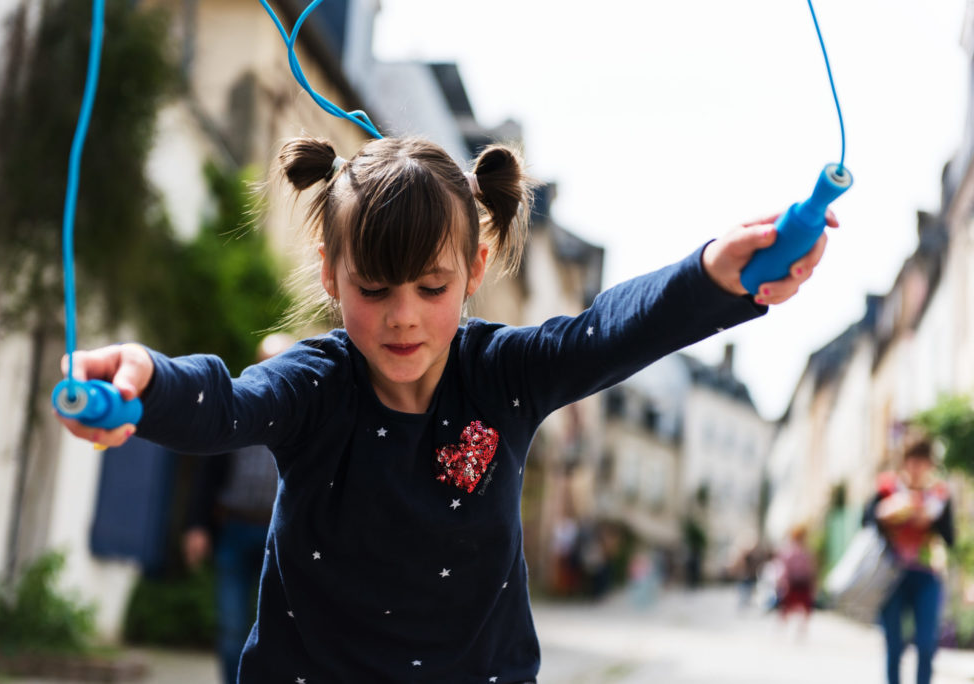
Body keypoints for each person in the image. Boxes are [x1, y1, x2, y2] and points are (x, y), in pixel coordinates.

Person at [56, 135, 835, 682]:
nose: (403, 317)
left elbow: (604, 332)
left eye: (431, 288)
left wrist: (708, 276)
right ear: (331, 274)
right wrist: (146, 383)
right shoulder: (316, 383)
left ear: (476, 268)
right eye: (374, 289)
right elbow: (227, 406)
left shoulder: (504, 377)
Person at [182, 334, 292, 684]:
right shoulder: (237, 407)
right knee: (231, 628)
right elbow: (207, 473)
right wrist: (196, 526)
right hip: (234, 529)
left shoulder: (303, 415)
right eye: (265, 362)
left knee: (277, 630)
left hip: (280, 538)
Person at [865, 437, 954, 684]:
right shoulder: (888, 489)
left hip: (926, 574)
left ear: (930, 466)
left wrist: (931, 520)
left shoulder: (938, 495)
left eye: (923, 462)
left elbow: (950, 537)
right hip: (891, 574)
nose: (917, 468)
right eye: (913, 462)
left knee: (926, 644)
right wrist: (888, 514)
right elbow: (866, 522)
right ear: (905, 463)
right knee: (894, 644)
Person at [775, 524, 816, 637]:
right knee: (788, 607)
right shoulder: (791, 551)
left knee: (803, 607)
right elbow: (785, 568)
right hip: (793, 582)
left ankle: (800, 629)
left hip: (801, 582)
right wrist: (784, 581)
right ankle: (784, 629)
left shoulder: (805, 551)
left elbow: (810, 568)